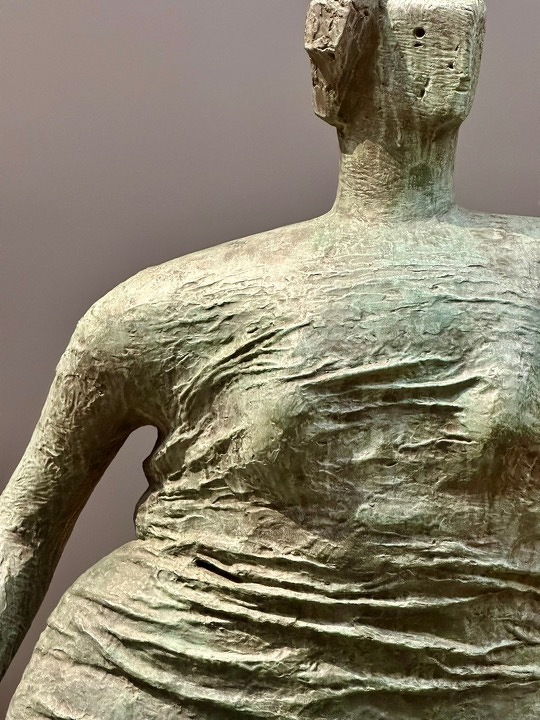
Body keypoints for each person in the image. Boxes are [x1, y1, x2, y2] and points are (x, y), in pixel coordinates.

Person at [2, 1, 539, 717]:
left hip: (491, 679)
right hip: (170, 674)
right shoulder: (172, 305)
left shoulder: (526, 276)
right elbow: (24, 526)